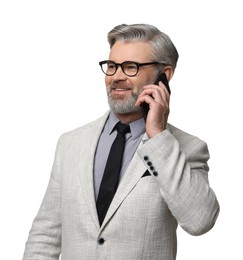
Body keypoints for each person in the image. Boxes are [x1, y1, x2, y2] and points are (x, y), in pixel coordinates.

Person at [23, 23, 219, 260]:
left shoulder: (187, 148)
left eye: (130, 67)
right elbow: (45, 236)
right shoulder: (70, 144)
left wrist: (157, 135)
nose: (116, 77)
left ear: (164, 76)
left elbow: (200, 221)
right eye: (112, 66)